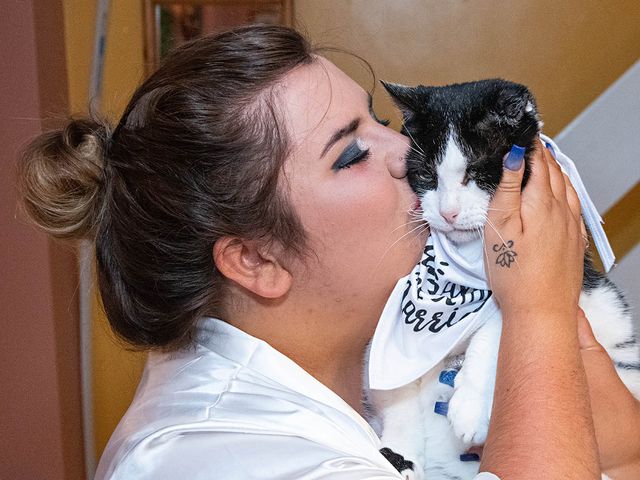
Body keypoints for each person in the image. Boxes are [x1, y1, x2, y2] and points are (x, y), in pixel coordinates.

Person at [18, 25, 640, 479]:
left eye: (378, 121)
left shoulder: (387, 346)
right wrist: (538, 312)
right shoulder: (214, 458)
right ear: (257, 261)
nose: (404, 154)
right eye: (351, 154)